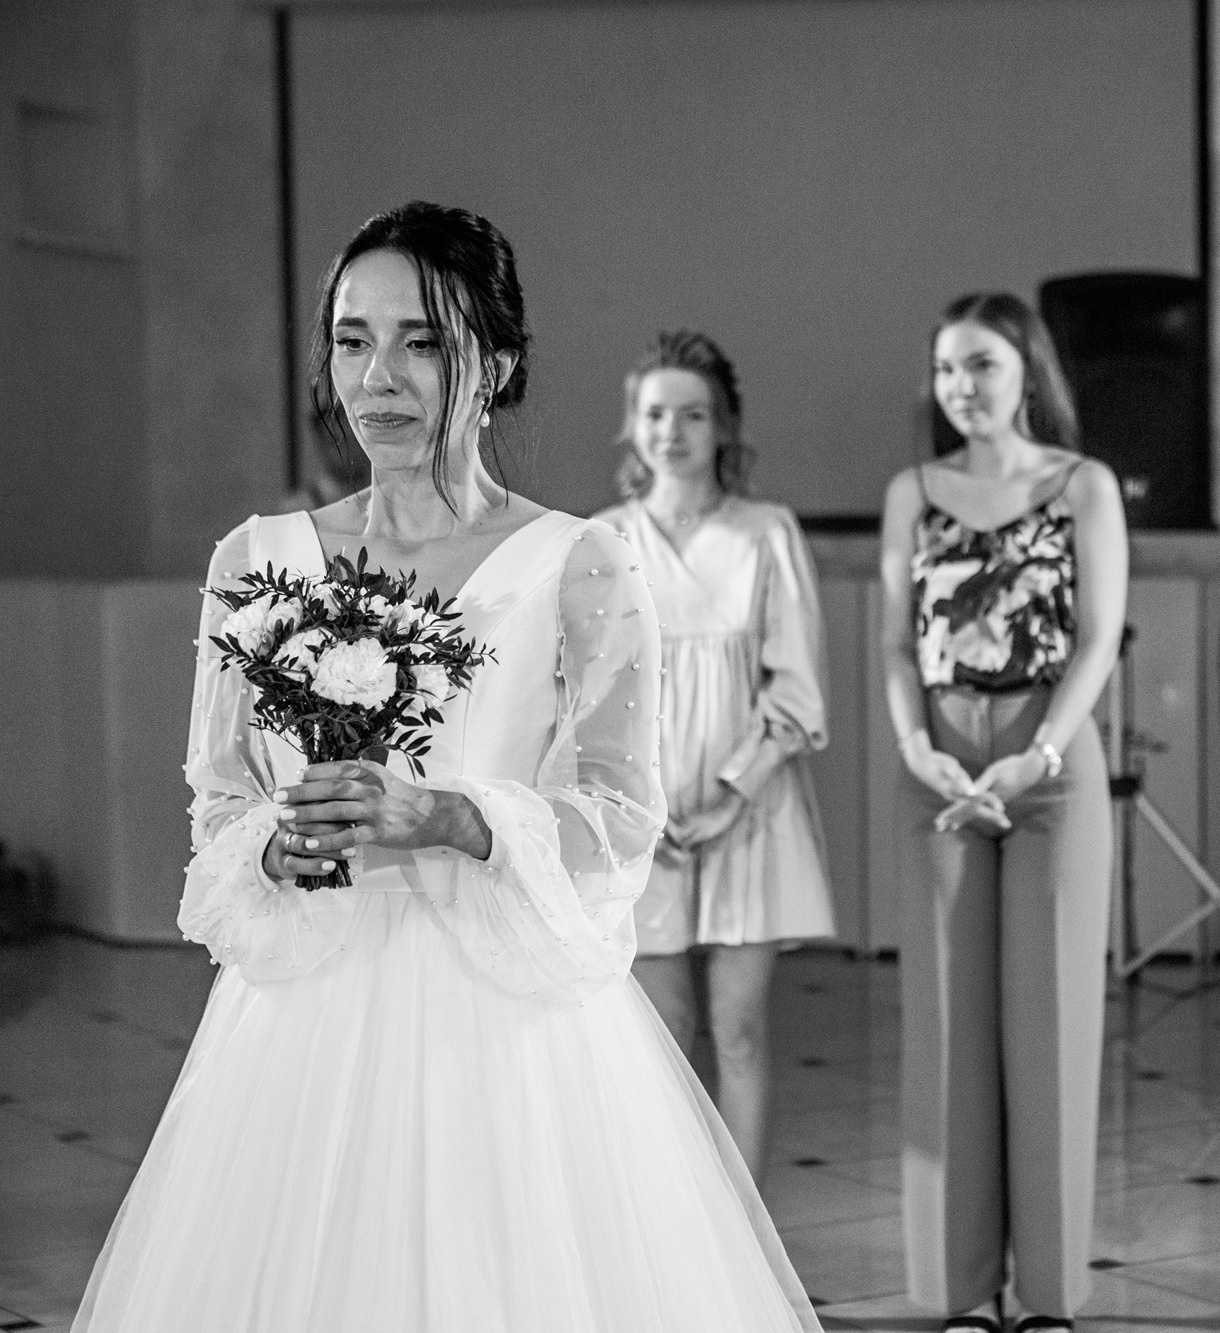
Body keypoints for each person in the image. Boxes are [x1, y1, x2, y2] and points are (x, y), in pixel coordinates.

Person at [71, 202, 820, 1332]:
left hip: (506, 1022)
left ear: (497, 363)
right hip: (303, 1022)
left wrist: (455, 817)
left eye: (423, 339)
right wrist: (275, 837)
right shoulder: (255, 561)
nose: (380, 375)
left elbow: (622, 814)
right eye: (352, 337)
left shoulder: (581, 561)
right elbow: (218, 801)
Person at [878, 292, 1127, 1333]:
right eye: (945, 370)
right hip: (937, 761)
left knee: (1050, 1028)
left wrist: (1035, 754)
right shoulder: (911, 490)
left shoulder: (1082, 485)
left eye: (980, 365)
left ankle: (1051, 1299)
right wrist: (917, 749)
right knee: (943, 1026)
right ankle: (961, 1293)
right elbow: (894, 643)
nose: (961, 388)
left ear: (1026, 367)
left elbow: (1098, 639)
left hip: (1050, 767)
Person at [596, 329, 835, 1184]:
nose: (673, 430)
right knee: (662, 1039)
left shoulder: (767, 532)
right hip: (641, 819)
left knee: (740, 1029)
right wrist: (636, 803)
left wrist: (736, 795)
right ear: (633, 426)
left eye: (693, 414)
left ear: (725, 427)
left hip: (751, 812)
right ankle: (672, 1242)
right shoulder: (603, 541)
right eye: (656, 413)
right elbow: (587, 697)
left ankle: (743, 1250)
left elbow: (798, 686)